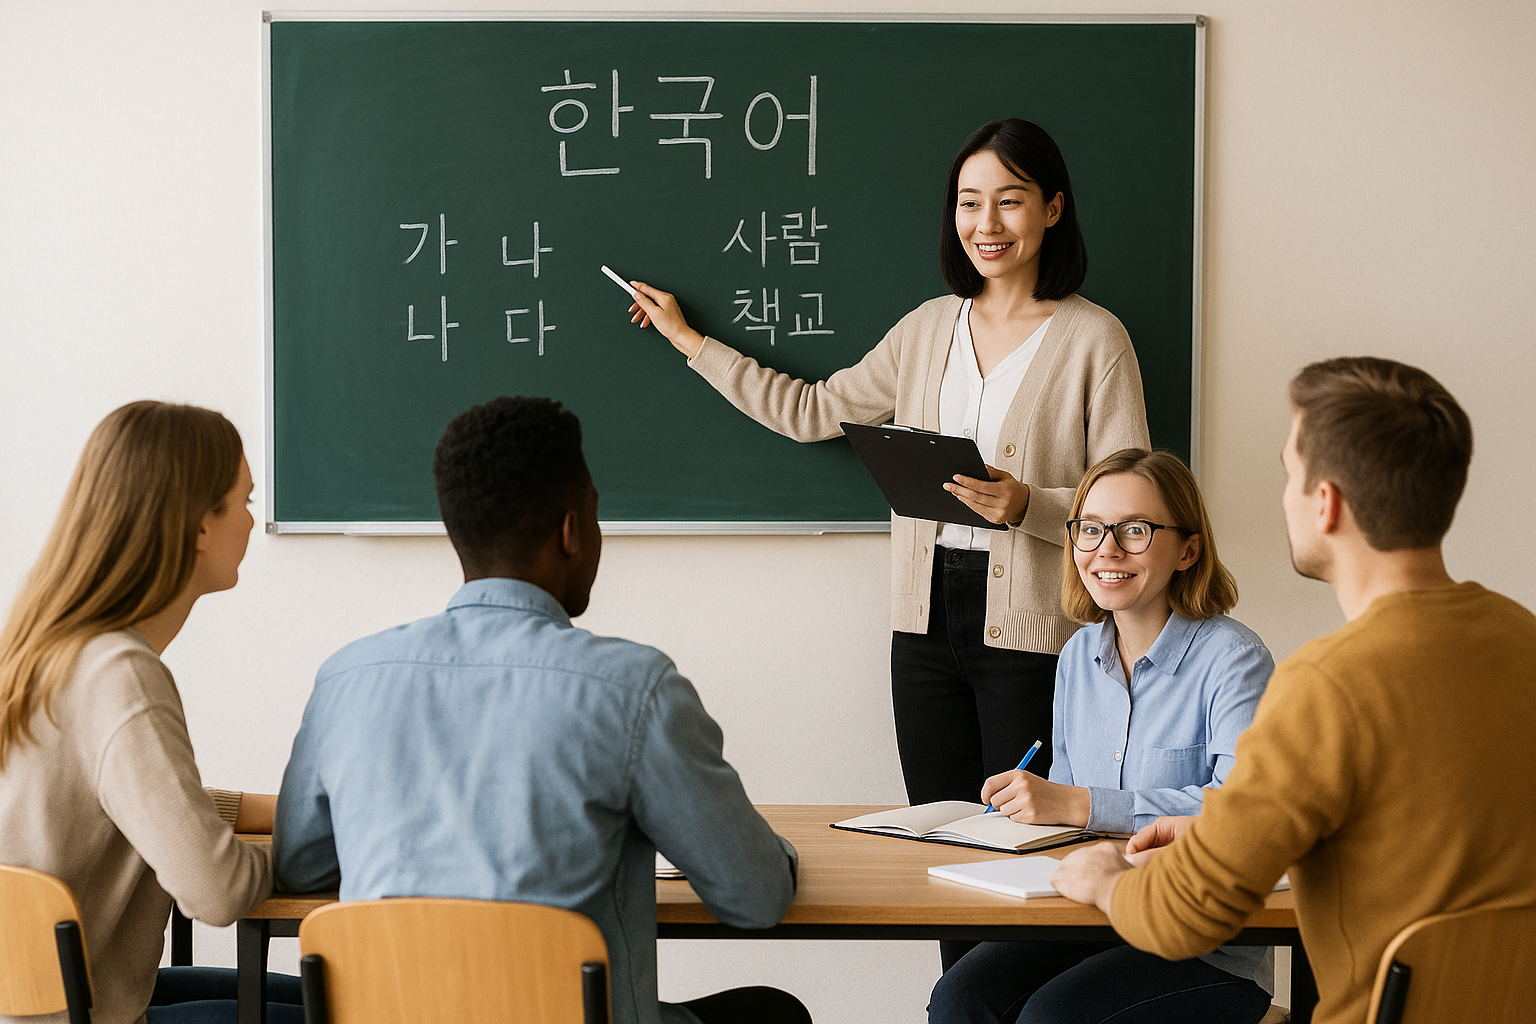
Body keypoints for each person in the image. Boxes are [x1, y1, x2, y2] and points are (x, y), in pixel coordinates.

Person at [624, 120, 1149, 927]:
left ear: (1052, 208)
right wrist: (690, 340)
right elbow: (811, 411)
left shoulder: (1095, 339)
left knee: (1030, 858)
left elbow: (1133, 504)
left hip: (1038, 633)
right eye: (970, 203)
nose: (987, 224)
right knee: (939, 860)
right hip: (925, 625)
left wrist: (1030, 506)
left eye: (1010, 202)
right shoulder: (925, 329)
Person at [274, 396, 811, 1024]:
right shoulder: (633, 688)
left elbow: (299, 866)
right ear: (571, 531)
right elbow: (755, 897)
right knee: (773, 1014)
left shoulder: (348, 677)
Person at [1051, 357, 1536, 1024]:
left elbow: (1185, 918)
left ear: (1326, 503)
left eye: (1289, 474)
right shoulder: (1523, 639)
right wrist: (1220, 826)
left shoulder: (1327, 685)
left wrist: (1106, 883)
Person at [929, 449, 1275, 1024]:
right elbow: (1066, 812)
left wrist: (1083, 804)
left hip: (1202, 939)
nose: (1106, 550)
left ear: (1187, 550)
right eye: (1090, 529)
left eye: (1134, 531)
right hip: (1087, 917)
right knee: (961, 997)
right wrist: (1021, 818)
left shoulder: (1234, 660)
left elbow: (1247, 813)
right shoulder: (1078, 655)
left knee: (1053, 1017)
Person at [0, 401, 301, 1024]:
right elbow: (216, 891)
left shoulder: (48, 647)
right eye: (244, 501)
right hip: (81, 1013)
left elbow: (124, 798)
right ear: (197, 526)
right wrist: (312, 847)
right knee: (351, 1003)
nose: (251, 521)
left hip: (38, 1005)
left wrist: (283, 811)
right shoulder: (120, 673)